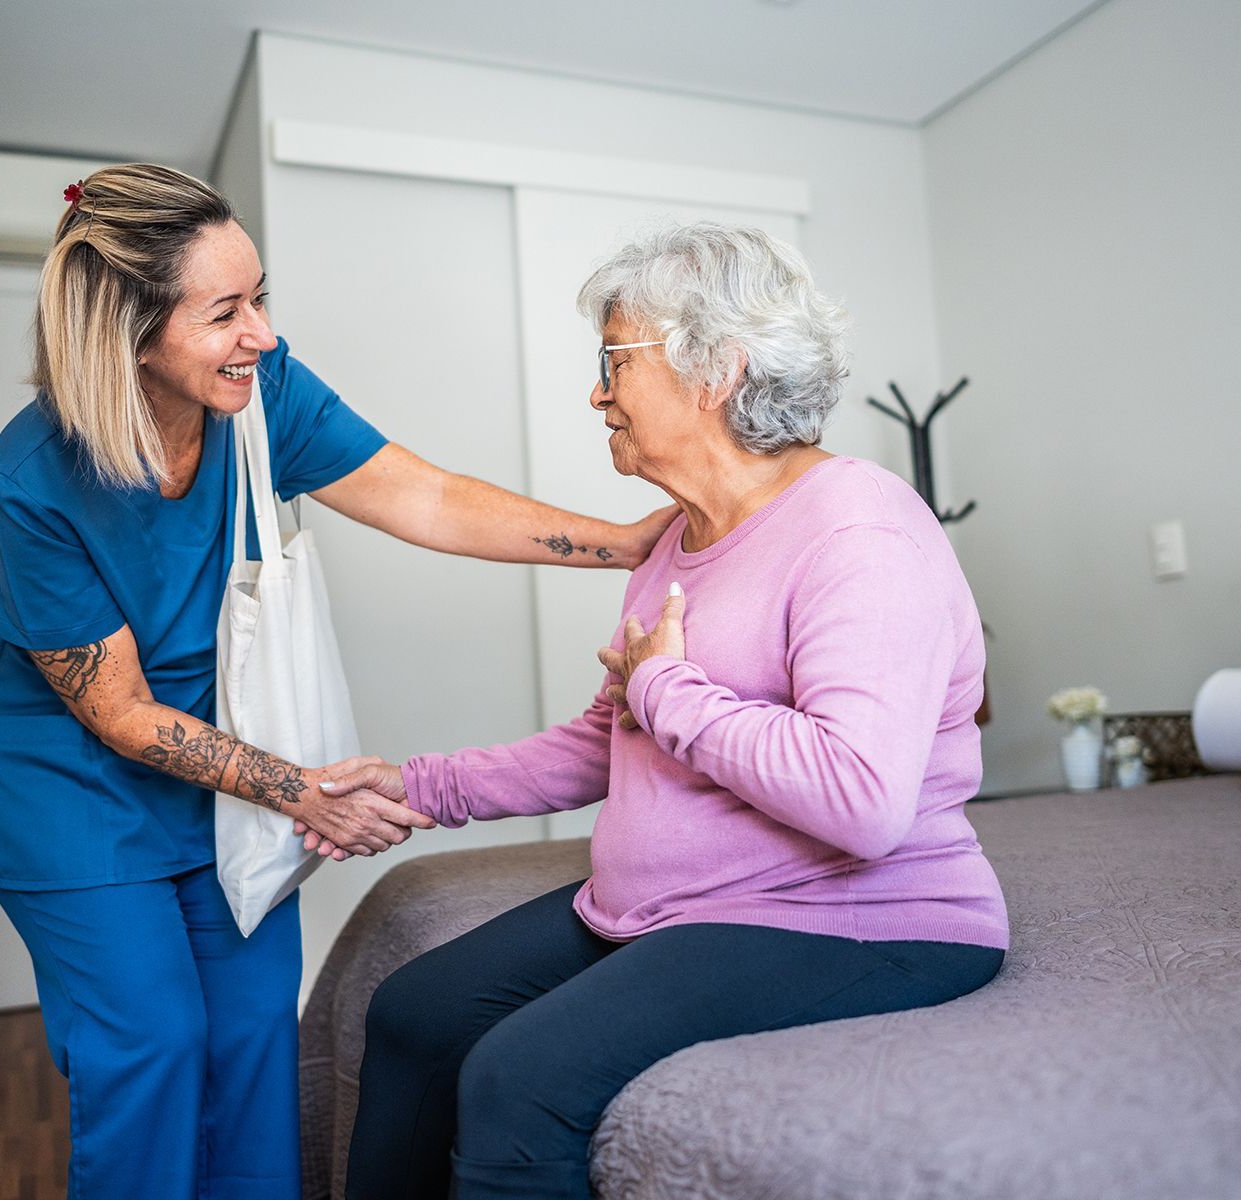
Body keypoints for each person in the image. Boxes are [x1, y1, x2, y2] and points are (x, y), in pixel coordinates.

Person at [0, 163, 675, 1200]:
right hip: (70, 791)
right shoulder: (35, 479)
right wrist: (300, 791)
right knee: (153, 1043)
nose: (259, 331)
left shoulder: (261, 395)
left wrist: (620, 545)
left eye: (260, 298)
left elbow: (423, 497)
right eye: (224, 312)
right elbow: (115, 711)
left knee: (253, 1034)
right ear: (129, 333)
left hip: (221, 762)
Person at [322, 222, 1010, 1200]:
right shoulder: (677, 542)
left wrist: (665, 686)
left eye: (614, 360)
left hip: (862, 919)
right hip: (681, 904)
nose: (596, 391)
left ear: (714, 369)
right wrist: (418, 787)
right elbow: (613, 745)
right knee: (415, 1011)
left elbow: (861, 798)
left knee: (518, 1079)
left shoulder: (861, 529)